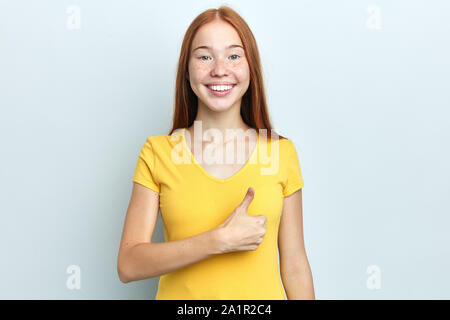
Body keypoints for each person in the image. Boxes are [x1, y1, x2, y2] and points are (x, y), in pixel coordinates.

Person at [117, 5, 315, 300]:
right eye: (205, 56)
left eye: (234, 56)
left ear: (251, 68)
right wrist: (218, 240)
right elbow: (128, 265)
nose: (220, 69)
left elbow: (295, 265)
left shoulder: (280, 152)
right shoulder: (157, 153)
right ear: (187, 69)